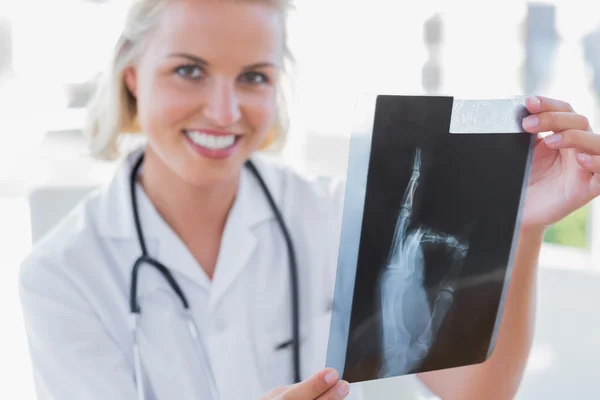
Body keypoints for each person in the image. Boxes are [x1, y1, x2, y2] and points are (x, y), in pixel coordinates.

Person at [17, 0, 600, 399]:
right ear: (131, 76)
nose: (224, 112)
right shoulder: (62, 274)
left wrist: (518, 230)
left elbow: (477, 390)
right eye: (189, 70)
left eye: (254, 77)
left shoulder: (332, 216)